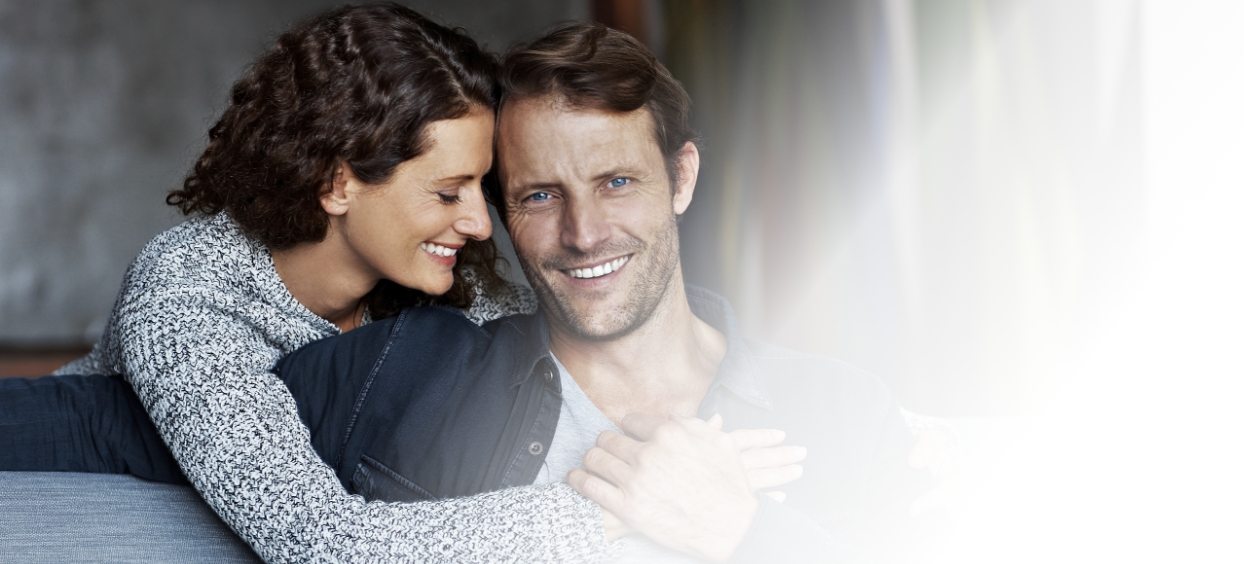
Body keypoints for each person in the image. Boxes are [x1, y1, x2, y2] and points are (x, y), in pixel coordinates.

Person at [269, 22, 927, 561]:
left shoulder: (840, 413)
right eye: (540, 196)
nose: (583, 234)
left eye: (616, 183)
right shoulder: (405, 370)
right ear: (501, 213)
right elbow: (177, 458)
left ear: (680, 178)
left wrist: (742, 532)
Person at [0, 4, 619, 562]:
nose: (482, 226)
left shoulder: (442, 282)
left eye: (479, 190)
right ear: (338, 183)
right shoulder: (185, 293)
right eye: (445, 192)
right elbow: (314, 541)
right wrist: (601, 524)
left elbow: (557, 379)